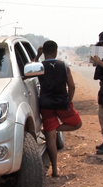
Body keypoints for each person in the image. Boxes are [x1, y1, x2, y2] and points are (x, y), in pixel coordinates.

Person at [34, 40, 82, 177]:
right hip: (62, 103)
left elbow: (30, 67)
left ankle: (55, 169)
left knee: (50, 137)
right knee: (77, 124)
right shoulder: (64, 66)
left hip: (46, 105)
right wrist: (69, 100)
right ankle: (55, 128)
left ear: (44, 52)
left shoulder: (39, 66)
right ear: (56, 51)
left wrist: (37, 56)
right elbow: (72, 86)